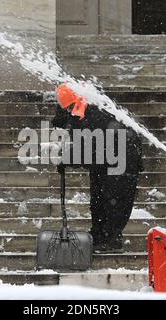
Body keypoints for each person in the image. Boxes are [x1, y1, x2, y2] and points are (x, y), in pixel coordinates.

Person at [52, 84, 144, 253]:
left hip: (122, 161)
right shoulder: (82, 110)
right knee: (98, 199)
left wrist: (66, 159)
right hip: (105, 163)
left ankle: (111, 239)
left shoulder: (94, 113)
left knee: (114, 199)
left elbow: (90, 150)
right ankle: (99, 235)